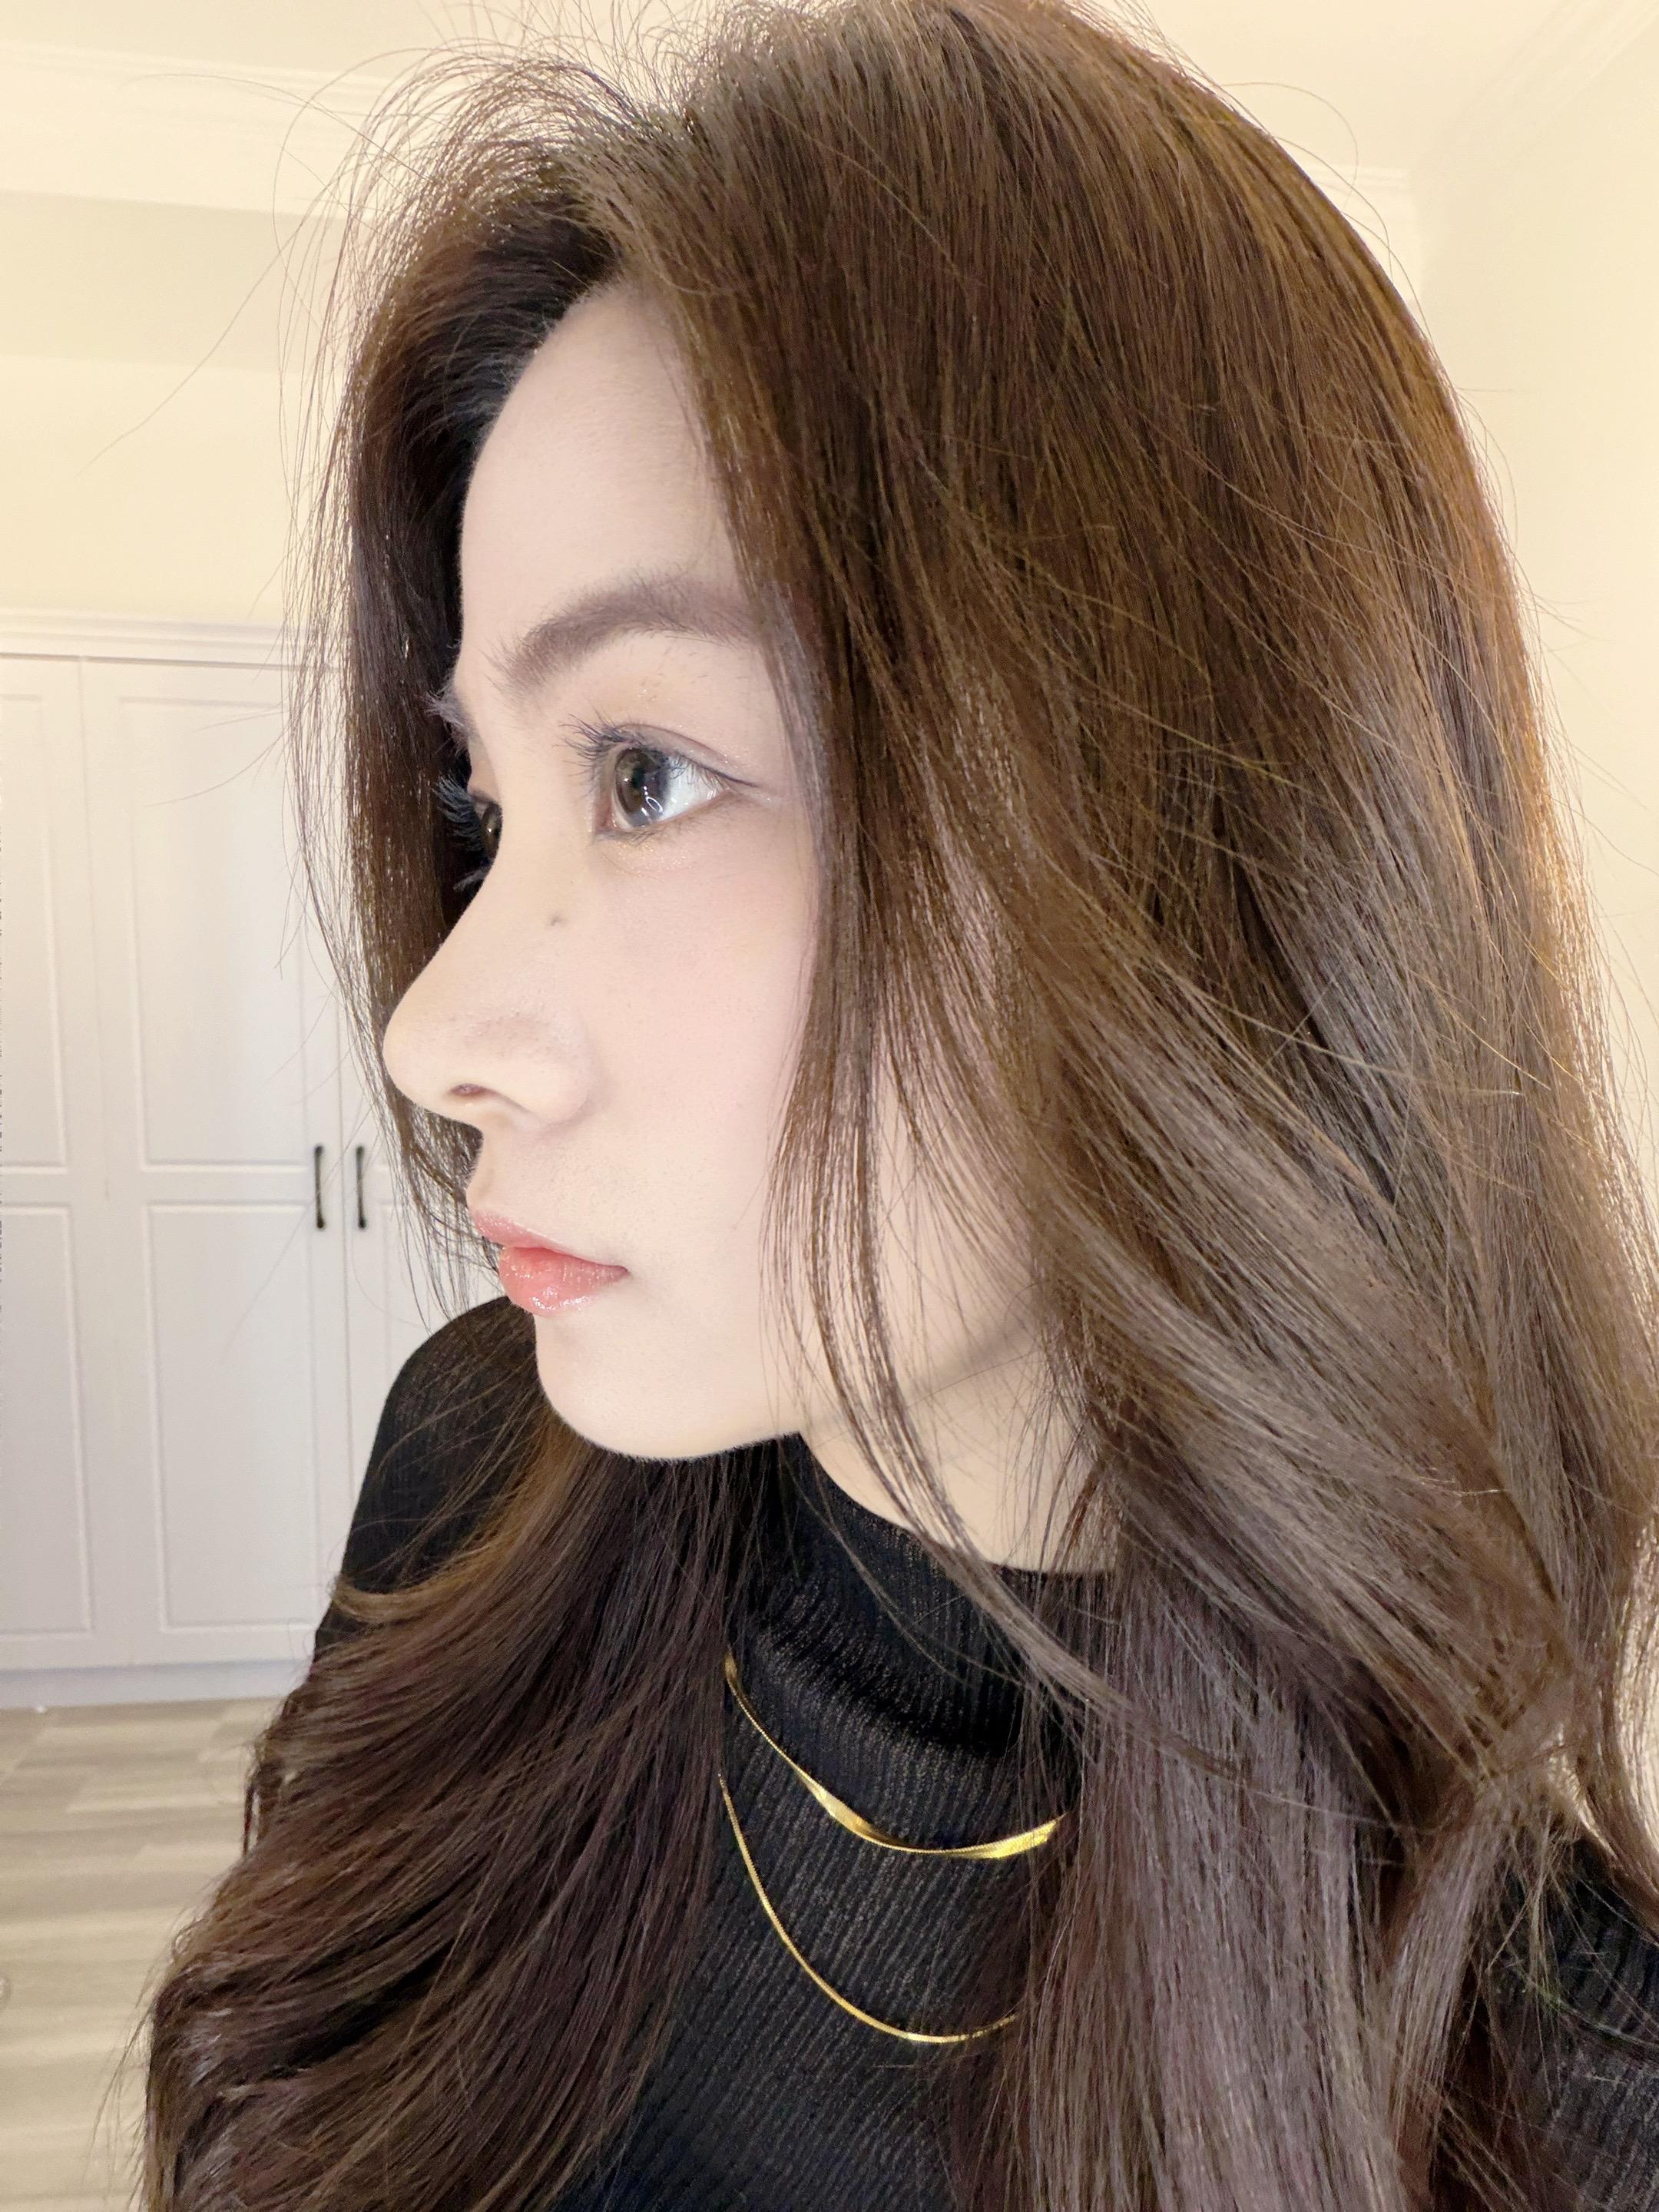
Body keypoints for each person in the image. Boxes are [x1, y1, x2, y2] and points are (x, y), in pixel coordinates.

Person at [134, 2, 1659, 2205]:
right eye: (483, 803)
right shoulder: (470, 1480)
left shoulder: (1566, 2107)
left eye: (646, 774)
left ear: (1188, 840)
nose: (434, 1029)